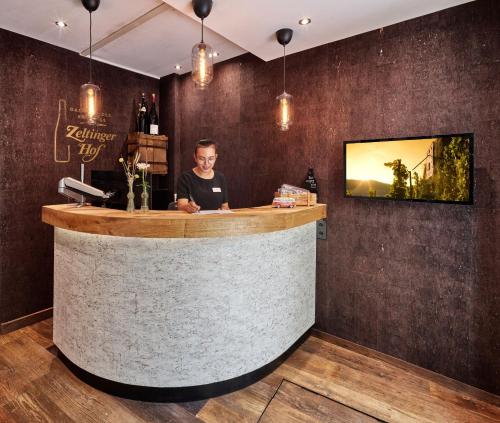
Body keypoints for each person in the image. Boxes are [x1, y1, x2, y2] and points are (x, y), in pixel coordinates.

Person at [177, 139, 229, 213]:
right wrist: (188, 207)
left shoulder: (220, 177)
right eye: (202, 159)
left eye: (211, 158)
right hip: (193, 222)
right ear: (195, 157)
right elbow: (181, 206)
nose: (206, 163)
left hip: (216, 222)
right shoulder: (185, 178)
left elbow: (225, 206)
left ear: (216, 157)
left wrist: (224, 211)